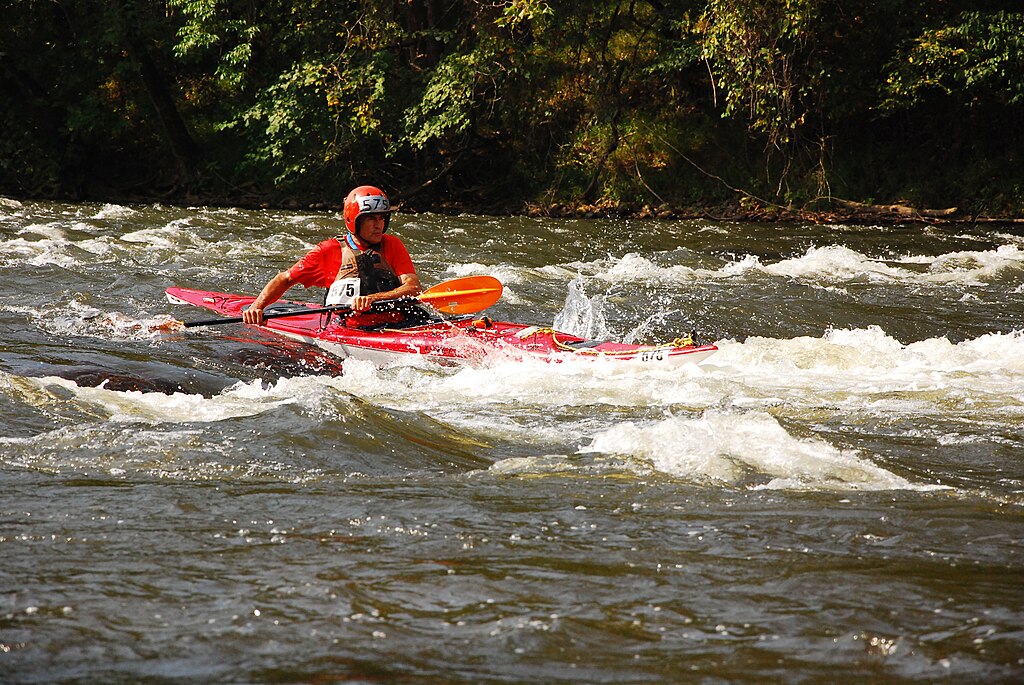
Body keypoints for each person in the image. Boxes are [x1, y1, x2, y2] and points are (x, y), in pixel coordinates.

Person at [242, 185, 422, 325]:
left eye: (382, 218)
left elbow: (413, 288)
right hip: (352, 328)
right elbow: (286, 278)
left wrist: (372, 298)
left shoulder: (392, 244)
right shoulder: (328, 250)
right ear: (354, 220)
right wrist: (256, 307)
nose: (379, 225)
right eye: (371, 218)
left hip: (401, 323)